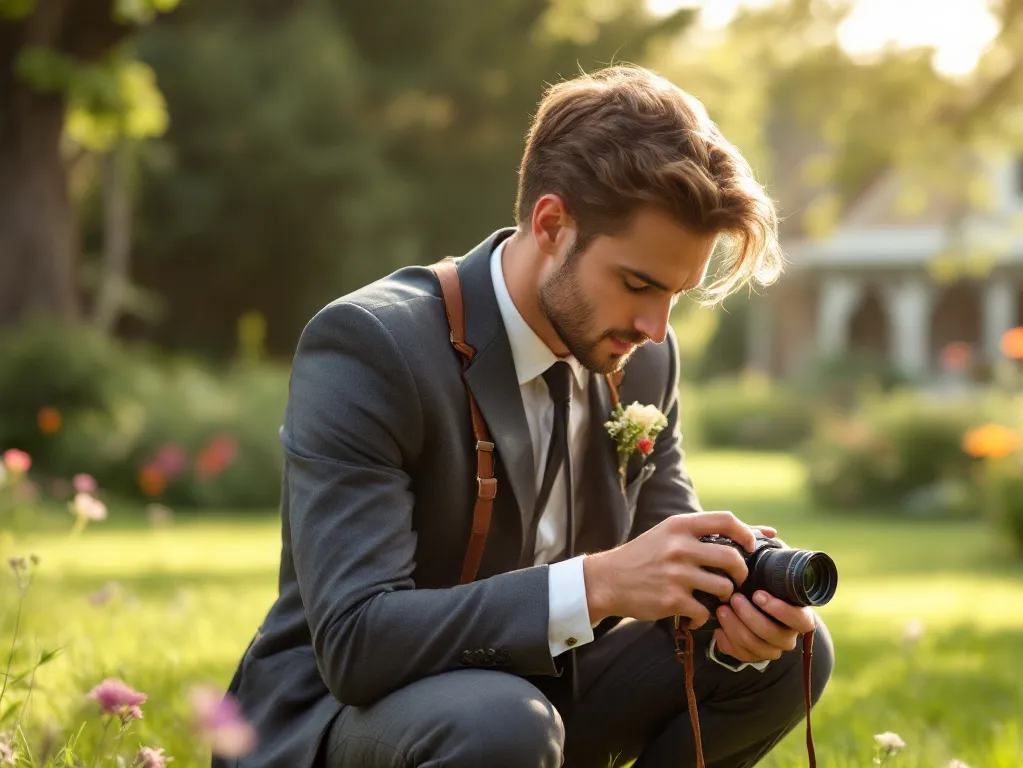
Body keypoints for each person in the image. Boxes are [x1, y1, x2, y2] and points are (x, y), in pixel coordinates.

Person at [216, 64, 834, 768]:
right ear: (550, 223)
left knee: (784, 661)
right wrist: (599, 583)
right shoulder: (372, 346)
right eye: (638, 283)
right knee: (504, 723)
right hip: (340, 718)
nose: (656, 327)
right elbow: (357, 642)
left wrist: (733, 603)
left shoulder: (643, 359)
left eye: (677, 295)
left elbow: (664, 552)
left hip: (533, 706)